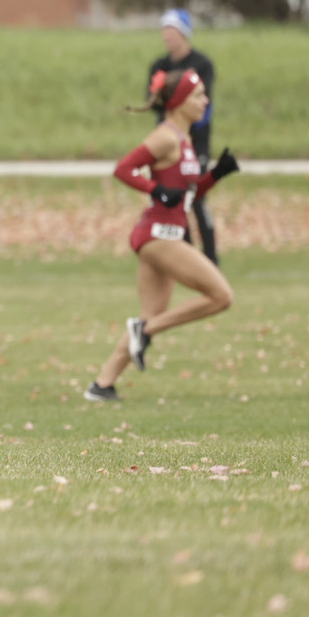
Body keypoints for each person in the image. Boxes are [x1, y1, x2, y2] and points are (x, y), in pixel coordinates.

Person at [87, 66, 239, 402]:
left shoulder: (183, 140)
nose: (205, 101)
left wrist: (215, 176)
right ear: (181, 100)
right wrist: (154, 188)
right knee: (220, 296)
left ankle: (102, 385)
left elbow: (186, 196)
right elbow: (123, 168)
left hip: (165, 232)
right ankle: (146, 331)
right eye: (199, 96)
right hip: (157, 235)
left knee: (151, 314)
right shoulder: (165, 136)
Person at [146, 9, 218, 265]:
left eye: (172, 31)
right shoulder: (160, 66)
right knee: (175, 202)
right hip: (169, 143)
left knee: (196, 198)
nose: (167, 36)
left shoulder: (202, 64)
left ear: (184, 34)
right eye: (164, 31)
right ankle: (186, 258)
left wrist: (187, 129)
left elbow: (204, 105)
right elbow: (153, 101)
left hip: (195, 142)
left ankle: (211, 260)